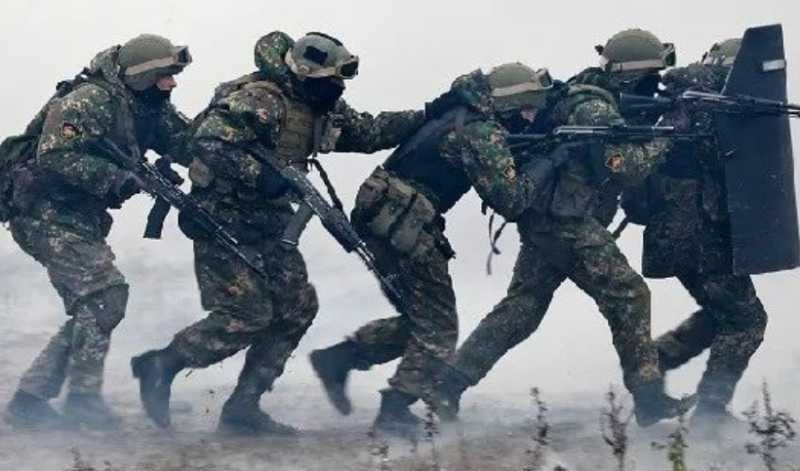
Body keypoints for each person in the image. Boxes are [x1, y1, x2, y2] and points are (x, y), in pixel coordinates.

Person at [130, 31, 426, 436]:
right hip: (222, 218)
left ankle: (243, 408)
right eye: (329, 80)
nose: (337, 89)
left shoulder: (318, 104)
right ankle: (161, 364)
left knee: (297, 307)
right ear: (304, 74)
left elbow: (369, 132)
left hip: (269, 222)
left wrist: (427, 115)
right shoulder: (260, 99)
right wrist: (261, 175)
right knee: (246, 315)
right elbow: (208, 141)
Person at [438, 30, 691, 427]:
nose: (655, 83)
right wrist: (669, 134)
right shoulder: (594, 108)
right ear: (631, 75)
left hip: (549, 217)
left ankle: (447, 385)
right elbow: (626, 168)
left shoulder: (587, 92)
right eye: (651, 75)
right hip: (565, 222)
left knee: (523, 308)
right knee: (629, 294)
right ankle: (648, 398)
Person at [310, 63, 563, 436]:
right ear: (510, 104)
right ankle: (395, 410)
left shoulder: (458, 112)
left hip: (381, 212)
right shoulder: (481, 132)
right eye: (527, 108)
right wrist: (550, 161)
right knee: (440, 328)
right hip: (406, 222)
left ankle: (340, 358)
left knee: (420, 319)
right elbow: (511, 200)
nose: (530, 116)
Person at [2, 34, 192, 430]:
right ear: (142, 77)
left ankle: (30, 399)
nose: (172, 84)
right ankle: (82, 399)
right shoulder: (89, 100)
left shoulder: (148, 107)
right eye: (164, 76)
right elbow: (54, 156)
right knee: (105, 296)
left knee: (97, 303)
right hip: (42, 212)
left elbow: (188, 142)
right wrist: (118, 178)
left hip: (77, 216)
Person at [631, 39, 768, 426]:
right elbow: (725, 164)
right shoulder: (708, 103)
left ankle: (651, 367)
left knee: (723, 313)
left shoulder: (685, 99)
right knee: (747, 320)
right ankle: (710, 414)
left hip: (679, 233)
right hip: (697, 234)